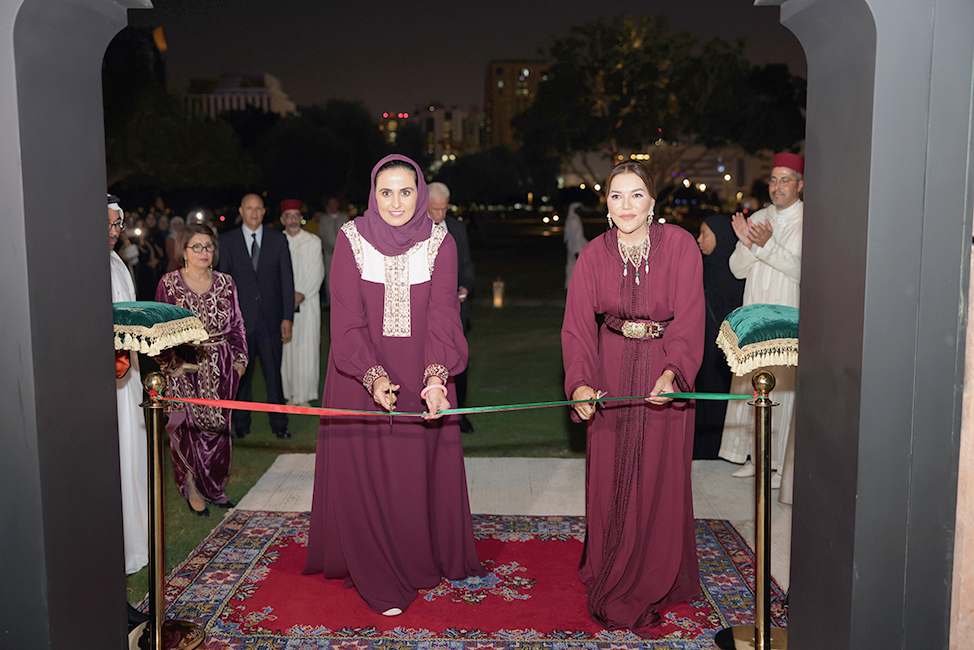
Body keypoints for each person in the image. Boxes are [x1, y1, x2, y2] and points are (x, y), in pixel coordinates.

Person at [303, 154, 485, 616]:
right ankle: (375, 567)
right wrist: (373, 375)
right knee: (367, 473)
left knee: (413, 472)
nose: (396, 202)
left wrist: (437, 380)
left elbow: (444, 315)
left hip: (425, 374)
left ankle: (420, 553)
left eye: (406, 191)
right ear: (373, 194)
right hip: (357, 375)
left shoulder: (441, 242)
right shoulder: (349, 239)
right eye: (386, 192)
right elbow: (345, 321)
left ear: (420, 193)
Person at [562, 161, 704, 636]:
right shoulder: (591, 256)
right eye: (617, 196)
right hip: (611, 369)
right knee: (611, 474)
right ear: (606, 205)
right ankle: (610, 565)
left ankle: (656, 571)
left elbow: (689, 317)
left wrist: (674, 372)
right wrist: (580, 382)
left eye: (636, 195)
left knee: (659, 475)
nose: (626, 205)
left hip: (665, 370)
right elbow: (578, 328)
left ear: (652, 204)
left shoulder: (682, 247)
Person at [718, 152, 803, 503]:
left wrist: (764, 246)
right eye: (773, 180)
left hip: (786, 315)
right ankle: (756, 458)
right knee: (753, 382)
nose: (777, 187)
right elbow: (737, 268)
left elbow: (801, 270)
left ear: (800, 184)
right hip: (755, 313)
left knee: (782, 387)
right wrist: (749, 242)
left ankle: (781, 465)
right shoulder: (761, 216)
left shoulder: (808, 220)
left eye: (785, 180)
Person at [155, 223, 248, 515]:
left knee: (218, 429)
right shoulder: (169, 284)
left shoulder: (226, 283)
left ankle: (215, 487)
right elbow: (159, 332)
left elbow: (237, 325)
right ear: (183, 250)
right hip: (183, 366)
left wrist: (240, 360)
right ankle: (191, 486)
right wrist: (171, 364)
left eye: (208, 246)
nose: (203, 252)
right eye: (196, 246)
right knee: (185, 429)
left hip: (221, 366)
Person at [218, 193, 295, 439]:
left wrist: (287, 317)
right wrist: (228, 321)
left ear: (264, 212)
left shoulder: (278, 240)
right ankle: (241, 424)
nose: (254, 213)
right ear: (241, 211)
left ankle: (279, 424)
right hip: (241, 322)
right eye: (249, 208)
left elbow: (287, 280)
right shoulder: (227, 241)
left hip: (272, 320)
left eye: (258, 208)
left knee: (274, 375)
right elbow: (224, 285)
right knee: (242, 375)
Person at [108, 194, 149, 574]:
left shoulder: (119, 261)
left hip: (129, 372)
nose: (112, 232)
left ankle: (138, 542)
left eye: (117, 225)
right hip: (108, 377)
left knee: (135, 453)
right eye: (105, 224)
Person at [692, 215, 746, 458]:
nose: (699, 239)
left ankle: (719, 450)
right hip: (700, 350)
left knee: (719, 399)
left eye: (705, 234)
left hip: (722, 354)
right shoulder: (700, 267)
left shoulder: (734, 273)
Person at [427, 181, 476, 433]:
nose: (439, 215)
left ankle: (460, 414)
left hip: (457, 311)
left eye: (444, 209)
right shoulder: (416, 230)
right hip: (426, 314)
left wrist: (465, 288)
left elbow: (466, 264)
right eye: (434, 209)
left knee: (459, 365)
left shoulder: (457, 228)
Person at [280, 199, 325, 406]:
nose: (292, 220)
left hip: (307, 304)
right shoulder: (276, 241)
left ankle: (305, 396)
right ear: (282, 220)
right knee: (286, 350)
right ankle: (289, 393)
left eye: (296, 216)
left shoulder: (313, 241)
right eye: (288, 216)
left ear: (301, 218)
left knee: (306, 347)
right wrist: (286, 299)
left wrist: (299, 296)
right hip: (282, 305)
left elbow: (316, 273)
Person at [316, 196, 349, 307]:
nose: (333, 206)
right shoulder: (324, 219)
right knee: (330, 279)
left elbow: (350, 234)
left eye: (334, 203)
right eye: (330, 204)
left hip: (344, 255)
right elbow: (321, 236)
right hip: (329, 254)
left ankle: (346, 305)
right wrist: (330, 249)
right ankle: (332, 305)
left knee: (345, 278)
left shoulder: (344, 217)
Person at [563, 201, 588, 288]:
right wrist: (576, 250)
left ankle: (571, 285)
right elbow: (575, 237)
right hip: (575, 248)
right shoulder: (573, 220)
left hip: (575, 247)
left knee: (572, 266)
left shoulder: (574, 218)